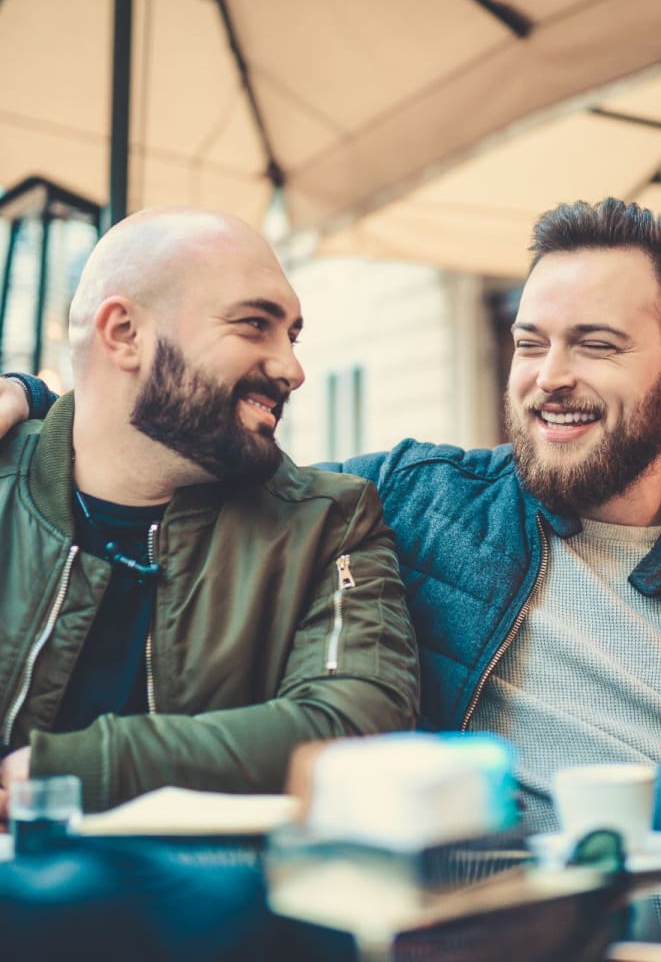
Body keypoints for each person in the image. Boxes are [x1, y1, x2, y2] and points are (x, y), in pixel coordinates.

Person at [6, 197, 661, 839]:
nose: (548, 376)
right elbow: (156, 433)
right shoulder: (427, 501)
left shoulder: (344, 515)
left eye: (596, 346)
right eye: (529, 344)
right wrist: (31, 403)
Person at [0, 207, 418, 820]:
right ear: (123, 334)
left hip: (209, 906)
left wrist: (82, 770)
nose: (292, 369)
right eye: (255, 325)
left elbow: (356, 725)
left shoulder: (326, 522)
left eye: (292, 336)